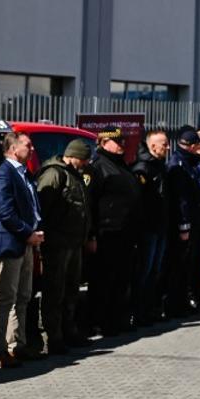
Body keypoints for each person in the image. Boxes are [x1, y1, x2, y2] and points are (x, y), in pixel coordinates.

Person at [0, 131, 44, 368]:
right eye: (27, 145)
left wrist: (36, 231)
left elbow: (31, 206)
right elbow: (5, 212)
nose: (32, 149)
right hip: (10, 244)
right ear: (12, 149)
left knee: (23, 296)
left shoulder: (25, 173)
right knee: (6, 298)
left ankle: (17, 345)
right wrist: (27, 233)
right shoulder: (4, 174)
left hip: (27, 244)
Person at [35, 139, 92, 356]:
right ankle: (52, 337)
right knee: (54, 291)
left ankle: (69, 332)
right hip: (57, 244)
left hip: (73, 242)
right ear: (73, 156)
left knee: (71, 290)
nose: (86, 164)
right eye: (84, 159)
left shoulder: (74, 174)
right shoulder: (54, 173)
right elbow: (43, 207)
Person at [87, 128, 139, 334]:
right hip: (107, 233)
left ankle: (118, 318)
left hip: (124, 232)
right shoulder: (97, 166)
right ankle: (102, 321)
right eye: (117, 141)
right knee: (104, 279)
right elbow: (90, 203)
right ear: (103, 142)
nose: (121, 145)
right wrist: (91, 234)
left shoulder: (120, 164)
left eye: (122, 141)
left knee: (121, 277)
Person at [167, 129, 200, 314]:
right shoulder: (179, 165)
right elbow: (183, 199)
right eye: (199, 145)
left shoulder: (195, 162)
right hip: (191, 222)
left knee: (197, 260)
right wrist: (184, 225)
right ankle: (185, 298)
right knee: (187, 263)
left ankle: (195, 295)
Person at [130, 130, 175, 326]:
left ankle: (150, 309)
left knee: (155, 271)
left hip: (160, 226)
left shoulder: (159, 165)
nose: (168, 147)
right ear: (153, 146)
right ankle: (139, 312)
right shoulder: (143, 168)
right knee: (144, 271)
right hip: (148, 228)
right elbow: (139, 201)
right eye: (164, 144)